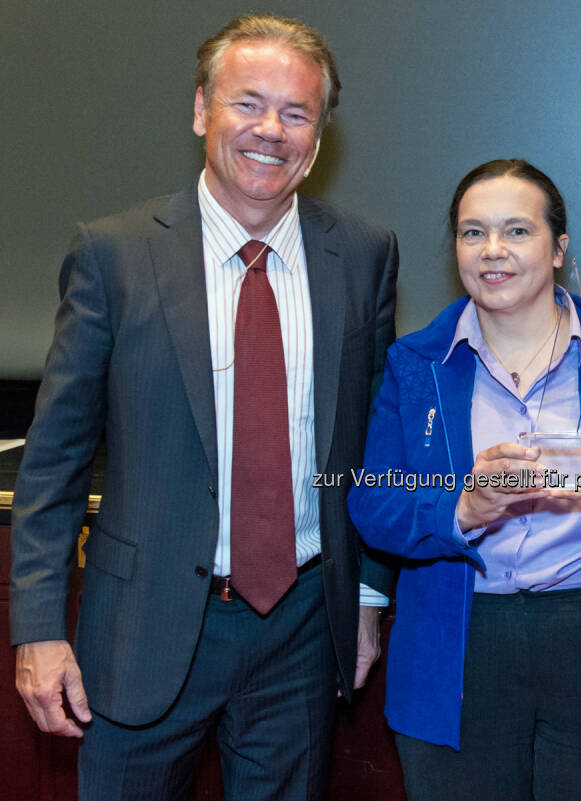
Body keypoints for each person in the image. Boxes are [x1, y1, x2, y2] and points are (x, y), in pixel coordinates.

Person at [10, 14, 398, 801]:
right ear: (200, 111)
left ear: (320, 136)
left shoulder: (363, 255)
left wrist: (364, 595)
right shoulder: (114, 254)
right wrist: (40, 628)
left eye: (296, 113)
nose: (270, 131)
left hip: (299, 632)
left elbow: (370, 448)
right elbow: (53, 462)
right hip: (141, 629)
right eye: (247, 103)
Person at [348, 159, 581, 801]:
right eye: (472, 233)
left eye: (517, 231)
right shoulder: (416, 364)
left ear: (558, 249)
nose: (493, 251)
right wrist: (463, 507)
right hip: (461, 640)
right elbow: (376, 502)